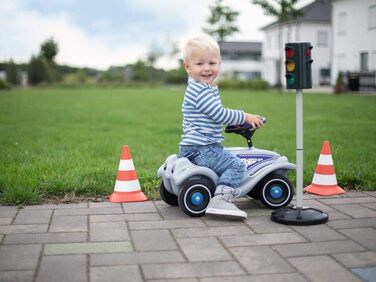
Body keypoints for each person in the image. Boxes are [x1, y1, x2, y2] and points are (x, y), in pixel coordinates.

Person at [179, 35, 264, 220]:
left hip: (194, 147)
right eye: (200, 64)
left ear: (220, 63)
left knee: (227, 157)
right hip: (202, 149)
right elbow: (218, 113)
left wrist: (233, 122)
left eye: (212, 62)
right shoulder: (200, 90)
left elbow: (211, 116)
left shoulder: (200, 87)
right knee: (237, 166)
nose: (207, 68)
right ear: (188, 67)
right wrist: (245, 117)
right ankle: (222, 199)